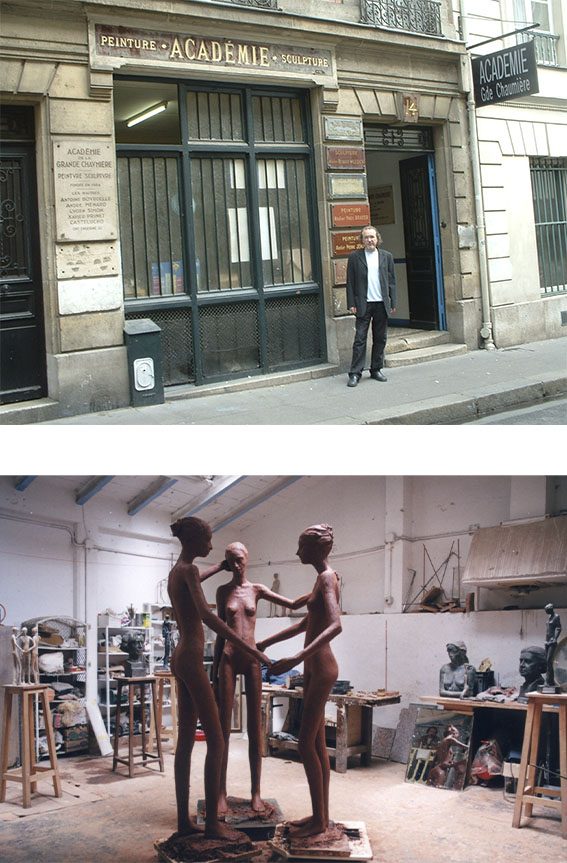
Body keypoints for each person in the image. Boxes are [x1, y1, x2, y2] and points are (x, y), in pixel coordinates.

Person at [167, 516, 271, 841]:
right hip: (192, 660)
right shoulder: (187, 572)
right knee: (217, 738)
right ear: (194, 539)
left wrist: (218, 568)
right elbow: (208, 616)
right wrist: (249, 648)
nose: (211, 547)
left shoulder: (178, 571)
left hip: (179, 657)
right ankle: (213, 823)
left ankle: (184, 823)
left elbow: (196, 577)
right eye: (208, 540)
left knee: (185, 743)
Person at [257, 524, 342, 840]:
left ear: (316, 548)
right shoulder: (322, 580)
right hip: (314, 668)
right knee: (316, 743)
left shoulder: (326, 578)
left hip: (321, 668)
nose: (297, 553)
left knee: (306, 743)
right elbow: (306, 623)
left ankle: (320, 820)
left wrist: (294, 659)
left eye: (301, 547)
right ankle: (321, 815)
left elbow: (335, 625)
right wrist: (266, 642)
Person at [213, 542, 309, 817]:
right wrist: (214, 668)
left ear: (248, 558)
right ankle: (220, 792)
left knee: (256, 727)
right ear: (227, 562)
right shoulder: (223, 592)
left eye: (240, 559)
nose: (237, 565)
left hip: (252, 657)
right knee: (223, 728)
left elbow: (291, 604)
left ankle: (256, 793)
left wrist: (317, 592)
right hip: (230, 658)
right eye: (231, 560)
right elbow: (221, 631)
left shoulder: (257, 590)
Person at [346, 225, 397, 387]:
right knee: (360, 339)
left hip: (381, 303)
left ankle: (376, 369)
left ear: (377, 239)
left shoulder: (386, 256)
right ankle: (355, 373)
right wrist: (351, 303)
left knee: (380, 338)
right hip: (363, 303)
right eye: (366, 237)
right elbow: (350, 282)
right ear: (362, 240)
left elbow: (392, 282)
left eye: (372, 237)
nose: (369, 240)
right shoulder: (355, 257)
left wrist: (392, 302)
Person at [544, 603, 562, 688]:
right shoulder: (549, 617)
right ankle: (548, 681)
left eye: (547, 610)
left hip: (552, 642)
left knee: (549, 661)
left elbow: (558, 628)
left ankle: (550, 681)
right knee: (547, 662)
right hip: (547, 641)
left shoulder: (556, 616)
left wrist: (555, 638)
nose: (546, 612)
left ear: (550, 609)